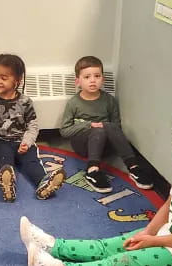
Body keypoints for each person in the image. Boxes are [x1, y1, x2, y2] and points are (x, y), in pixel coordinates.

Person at [22, 98, 172, 266]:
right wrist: (148, 232)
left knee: (123, 262)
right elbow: (168, 206)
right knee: (111, 245)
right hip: (165, 237)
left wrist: (152, 241)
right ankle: (53, 246)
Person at [0, 54, 66, 202]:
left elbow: (33, 126)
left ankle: (44, 185)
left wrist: (27, 142)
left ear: (17, 81)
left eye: (3, 77)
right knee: (4, 160)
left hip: (22, 141)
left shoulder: (25, 102)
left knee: (32, 162)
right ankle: (8, 185)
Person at [60, 56, 153, 193]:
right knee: (100, 130)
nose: (92, 80)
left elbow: (116, 126)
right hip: (83, 145)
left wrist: (104, 126)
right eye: (87, 77)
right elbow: (65, 130)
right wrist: (89, 125)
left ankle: (133, 168)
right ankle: (92, 171)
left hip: (105, 146)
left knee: (109, 127)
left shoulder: (109, 100)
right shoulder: (74, 103)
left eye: (97, 76)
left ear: (102, 79)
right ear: (78, 82)